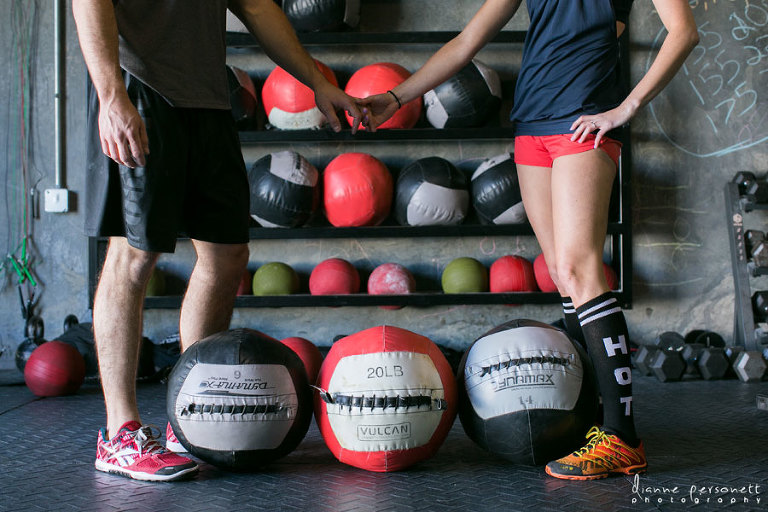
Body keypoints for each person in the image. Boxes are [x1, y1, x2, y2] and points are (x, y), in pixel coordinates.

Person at [361, 0, 698, 480]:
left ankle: (623, 438)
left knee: (581, 270)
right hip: (533, 123)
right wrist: (395, 99)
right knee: (562, 273)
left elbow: (683, 32)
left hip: (584, 119)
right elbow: (465, 42)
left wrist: (628, 106)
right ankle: (588, 425)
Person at [72, 0, 362, 482]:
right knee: (134, 254)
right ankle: (120, 433)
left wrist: (318, 81)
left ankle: (190, 413)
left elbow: (255, 5)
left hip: (207, 99)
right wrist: (109, 96)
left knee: (227, 255)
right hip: (138, 86)